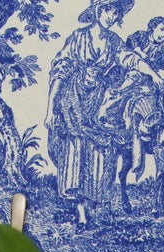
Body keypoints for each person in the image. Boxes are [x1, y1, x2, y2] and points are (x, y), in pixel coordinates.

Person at [46, 0, 133, 222]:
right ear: (97, 11)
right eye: (108, 10)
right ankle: (80, 212)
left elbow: (128, 59)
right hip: (73, 100)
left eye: (116, 12)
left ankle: (93, 207)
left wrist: (148, 69)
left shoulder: (115, 41)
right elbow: (59, 72)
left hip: (98, 99)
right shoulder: (78, 37)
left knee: (100, 152)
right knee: (76, 152)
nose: (112, 16)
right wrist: (50, 109)